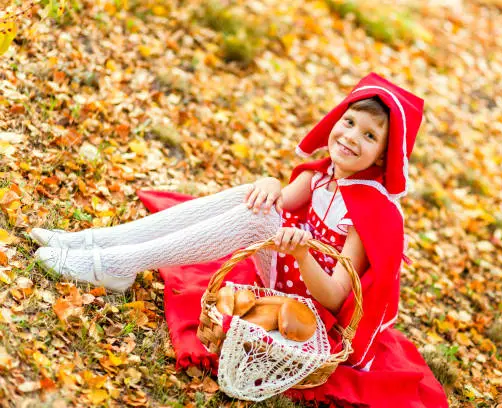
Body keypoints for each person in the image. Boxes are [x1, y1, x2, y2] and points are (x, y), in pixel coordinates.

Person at [34, 73, 448, 407]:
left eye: (370, 136)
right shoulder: (322, 176)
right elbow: (277, 202)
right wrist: (268, 183)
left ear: (381, 157)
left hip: (310, 308)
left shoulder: (367, 214)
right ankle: (97, 245)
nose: (352, 136)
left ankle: (118, 264)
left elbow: (337, 297)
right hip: (285, 278)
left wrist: (303, 253)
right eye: (349, 121)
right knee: (253, 199)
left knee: (260, 221)